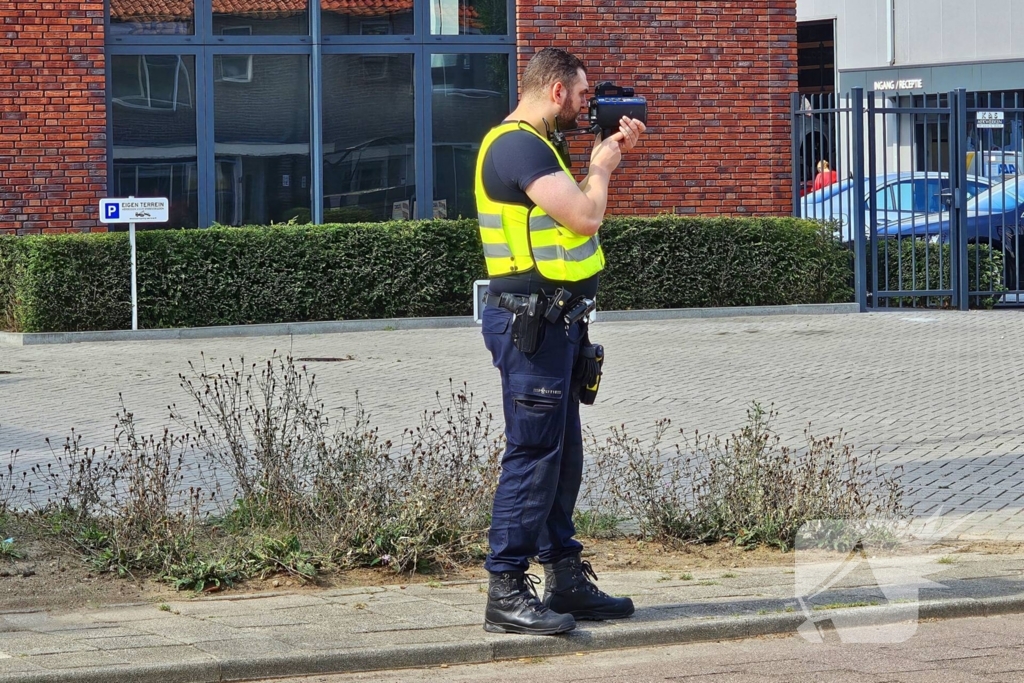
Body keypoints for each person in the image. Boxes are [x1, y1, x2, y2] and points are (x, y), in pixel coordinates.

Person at [473, 47, 646, 636]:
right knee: (533, 457)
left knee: (560, 457)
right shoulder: (516, 144)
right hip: (532, 325)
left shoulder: (542, 146)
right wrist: (600, 169)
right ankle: (506, 589)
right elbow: (582, 218)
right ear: (553, 91)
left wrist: (604, 152)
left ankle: (565, 578)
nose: (586, 104)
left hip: (556, 323)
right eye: (580, 94)